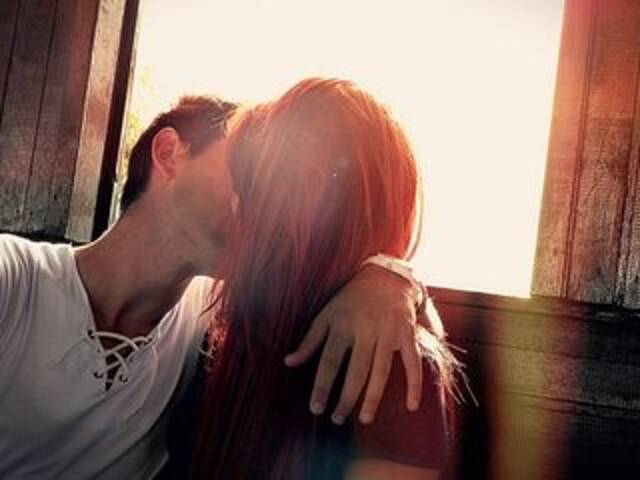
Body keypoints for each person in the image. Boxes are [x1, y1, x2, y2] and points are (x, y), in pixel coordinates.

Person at [0, 95, 433, 478]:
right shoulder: (15, 276)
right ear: (169, 153)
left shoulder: (215, 320)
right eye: (244, 167)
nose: (261, 195)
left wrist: (388, 278)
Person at [186, 78, 456, 479]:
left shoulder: (394, 370)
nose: (235, 204)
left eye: (253, 185)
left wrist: (400, 283)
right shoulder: (228, 327)